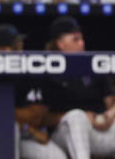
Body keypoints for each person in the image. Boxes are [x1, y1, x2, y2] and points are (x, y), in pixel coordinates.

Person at [0, 24, 67, 159]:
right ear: (0, 49)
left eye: (20, 46)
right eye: (15, 47)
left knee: (56, 156)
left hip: (22, 132)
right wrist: (25, 123)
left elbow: (36, 116)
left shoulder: (28, 72)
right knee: (8, 127)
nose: (20, 50)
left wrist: (26, 126)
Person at [44, 17, 115, 159]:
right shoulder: (48, 71)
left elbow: (110, 101)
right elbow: (42, 118)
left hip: (98, 128)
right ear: (60, 44)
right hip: (64, 135)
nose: (82, 43)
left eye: (82, 39)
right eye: (75, 40)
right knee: (77, 117)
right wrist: (83, 116)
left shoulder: (92, 65)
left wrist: (108, 116)